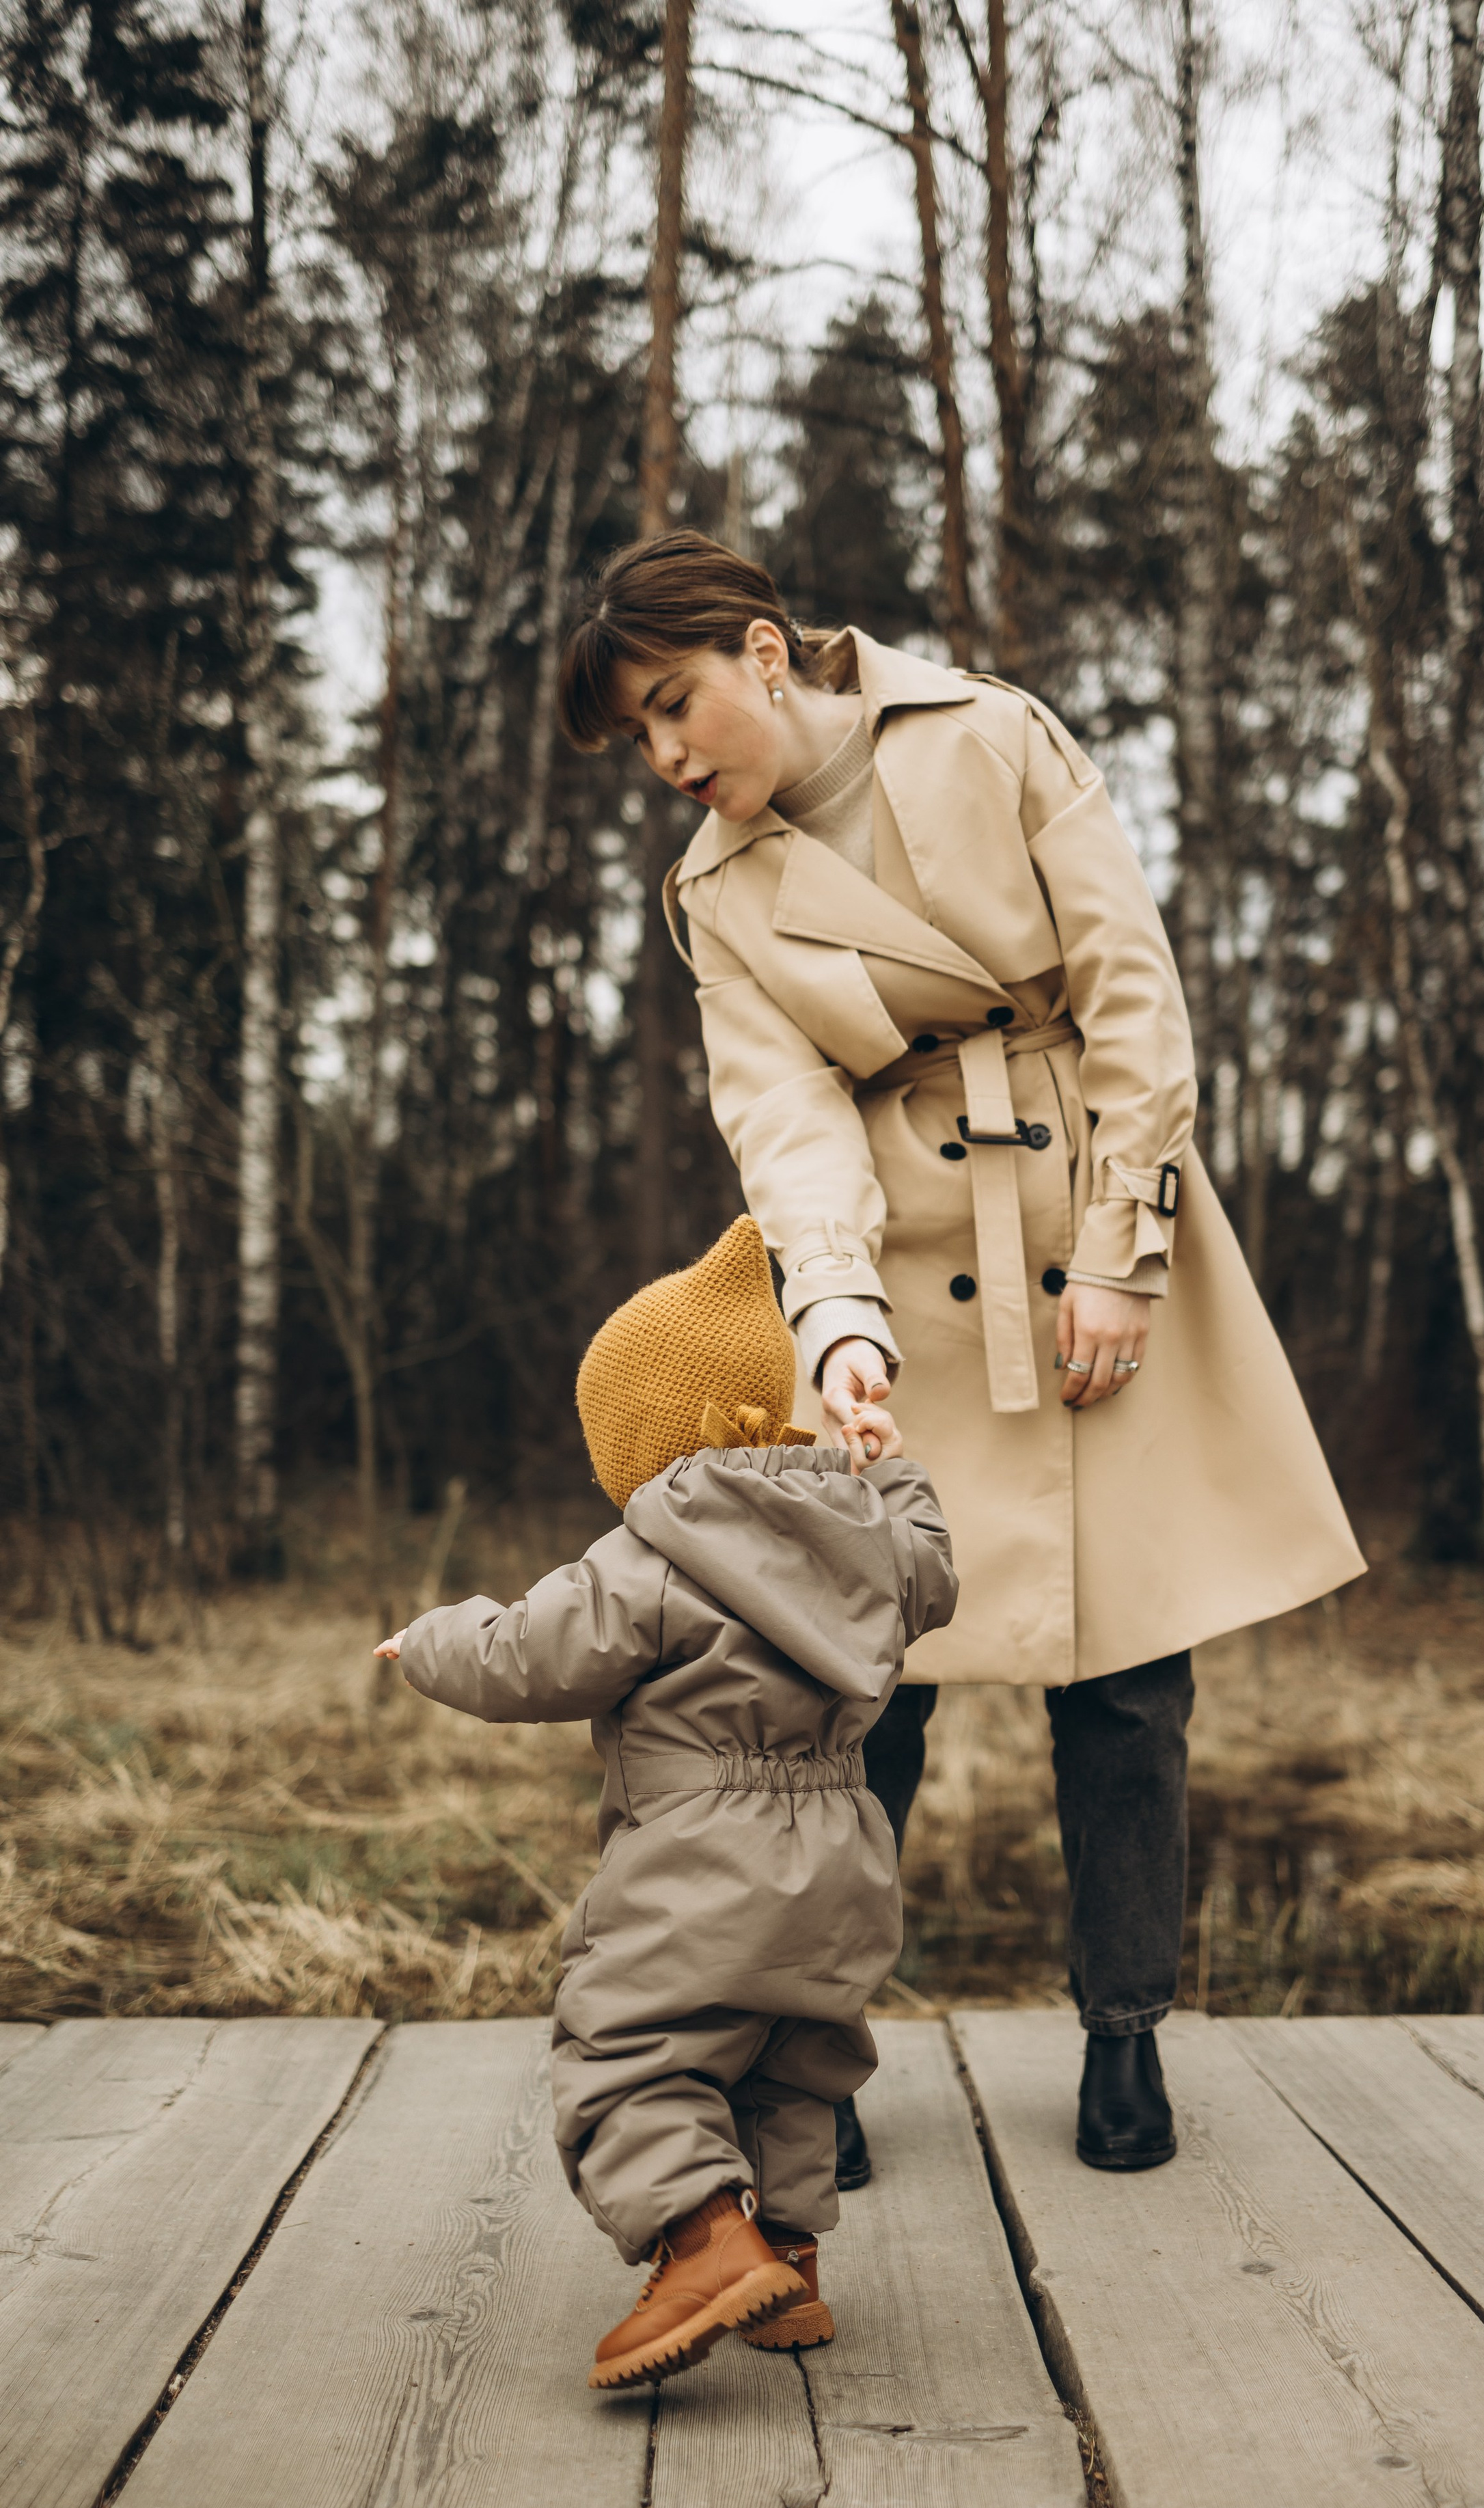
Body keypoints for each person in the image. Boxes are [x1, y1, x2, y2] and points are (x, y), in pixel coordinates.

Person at [556, 532, 1365, 2183]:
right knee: (856, 1689)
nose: (667, 758)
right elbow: (781, 1129)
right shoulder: (716, 893)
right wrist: (834, 1325)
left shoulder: (990, 736)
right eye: (639, 740)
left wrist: (1124, 1255)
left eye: (673, 705)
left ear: (762, 653)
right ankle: (816, 2067)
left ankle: (1125, 2041)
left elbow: (1134, 996)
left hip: (1088, 1214)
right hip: (893, 1278)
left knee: (1123, 1672)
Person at [374, 1214, 957, 2390]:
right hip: (847, 1851)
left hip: (702, 1852)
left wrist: (431, 1639)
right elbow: (934, 1567)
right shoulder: (862, 1527)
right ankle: (785, 2268)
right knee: (791, 2064)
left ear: (642, 1436)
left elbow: (525, 1659)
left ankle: (700, 2242)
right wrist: (888, 1460)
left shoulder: (650, 1553)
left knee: (625, 2048)